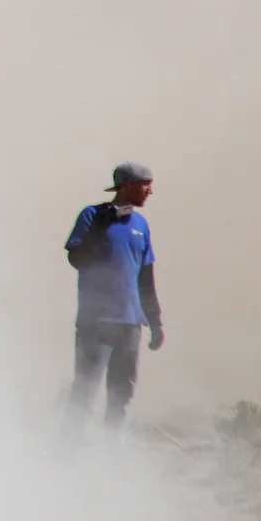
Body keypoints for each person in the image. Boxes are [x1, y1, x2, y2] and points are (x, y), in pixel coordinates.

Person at [62, 162, 163, 443]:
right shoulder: (92, 216)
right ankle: (67, 453)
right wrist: (98, 229)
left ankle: (112, 457)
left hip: (130, 324)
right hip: (96, 321)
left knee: (122, 393)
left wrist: (155, 321)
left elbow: (146, 278)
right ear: (128, 184)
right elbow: (76, 259)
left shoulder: (141, 225)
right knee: (86, 389)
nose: (150, 191)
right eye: (146, 184)